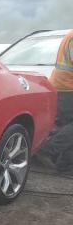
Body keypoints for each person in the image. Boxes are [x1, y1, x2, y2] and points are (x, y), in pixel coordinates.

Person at [34, 30, 73, 172]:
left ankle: (66, 164)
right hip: (68, 87)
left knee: (66, 125)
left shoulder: (69, 34)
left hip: (62, 86)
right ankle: (48, 149)